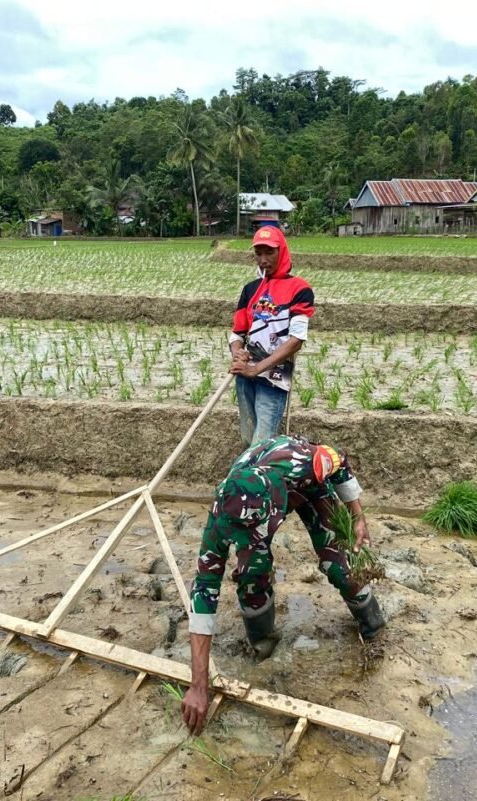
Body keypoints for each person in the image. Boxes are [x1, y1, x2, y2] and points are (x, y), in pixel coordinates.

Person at [180, 434, 386, 735]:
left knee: (338, 566)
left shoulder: (304, 462)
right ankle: (264, 647)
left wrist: (358, 516)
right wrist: (198, 684)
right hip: (259, 505)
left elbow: (340, 460)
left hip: (310, 491)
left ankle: (373, 624)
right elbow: (204, 590)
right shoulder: (222, 516)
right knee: (252, 574)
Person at [229, 226, 314, 446]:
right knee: (249, 439)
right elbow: (237, 332)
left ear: (282, 252)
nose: (263, 259)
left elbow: (296, 340)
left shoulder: (299, 289)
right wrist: (238, 353)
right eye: (258, 253)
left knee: (262, 442)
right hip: (245, 377)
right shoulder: (250, 290)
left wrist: (256, 369)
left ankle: (261, 478)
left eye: (270, 252)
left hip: (274, 377)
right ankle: (256, 477)